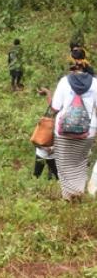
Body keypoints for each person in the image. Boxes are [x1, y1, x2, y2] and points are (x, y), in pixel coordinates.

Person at [49, 48, 97, 200]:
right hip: (88, 130)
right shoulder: (95, 83)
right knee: (80, 162)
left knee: (64, 164)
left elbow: (55, 107)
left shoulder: (64, 81)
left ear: (71, 62)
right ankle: (78, 192)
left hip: (64, 131)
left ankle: (69, 196)